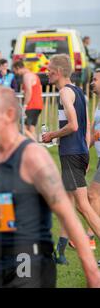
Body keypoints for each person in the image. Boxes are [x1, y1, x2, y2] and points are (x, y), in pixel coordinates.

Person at [0, 86, 100, 288]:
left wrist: (92, 274)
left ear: (9, 114)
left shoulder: (33, 157)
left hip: (30, 260)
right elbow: (2, 210)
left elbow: (68, 217)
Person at [42, 54, 100, 265]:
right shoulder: (77, 91)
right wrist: (84, 154)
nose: (46, 72)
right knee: (68, 203)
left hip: (71, 154)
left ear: (57, 72)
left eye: (48, 69)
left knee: (83, 206)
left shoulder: (65, 93)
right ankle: (60, 252)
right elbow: (84, 130)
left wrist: (51, 135)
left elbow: (74, 126)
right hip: (79, 153)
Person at [13, 60, 43, 141]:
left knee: (21, 127)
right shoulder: (34, 75)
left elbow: (29, 92)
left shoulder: (26, 76)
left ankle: (36, 145)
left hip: (31, 105)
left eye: (15, 71)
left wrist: (25, 105)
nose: (16, 73)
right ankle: (35, 148)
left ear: (18, 68)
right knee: (31, 129)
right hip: (38, 105)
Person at [88, 69, 100, 259]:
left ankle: (91, 235)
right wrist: (85, 151)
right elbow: (92, 129)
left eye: (96, 80)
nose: (92, 82)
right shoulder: (98, 105)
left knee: (92, 194)